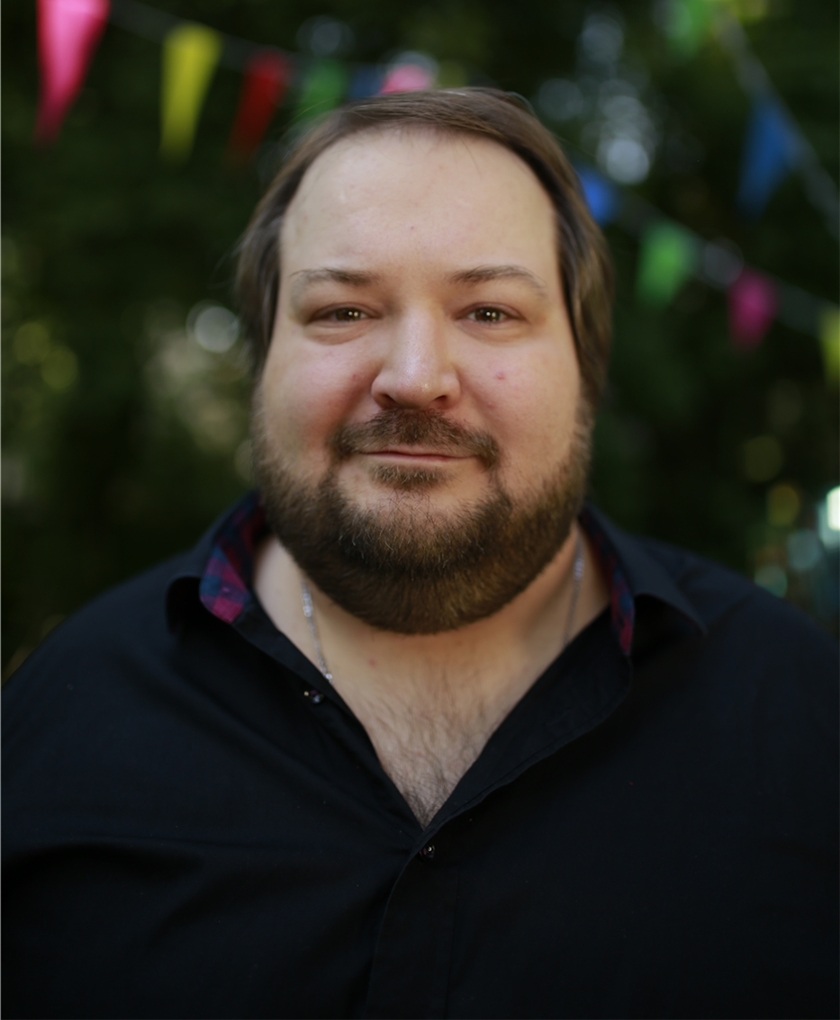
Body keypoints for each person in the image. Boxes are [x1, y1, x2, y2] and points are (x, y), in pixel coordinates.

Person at [3, 89, 837, 1020]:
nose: (414, 377)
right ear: (263, 361)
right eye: (342, 311)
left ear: (587, 368)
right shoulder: (54, 732)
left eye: (489, 312)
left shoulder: (804, 723)